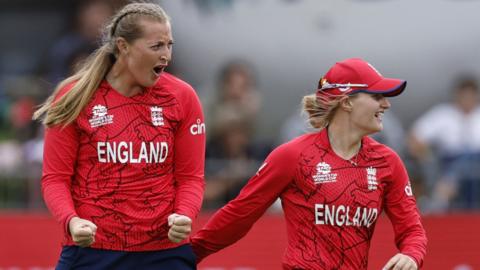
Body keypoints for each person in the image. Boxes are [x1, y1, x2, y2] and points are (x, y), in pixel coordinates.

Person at [191, 58, 427, 270]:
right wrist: (188, 255)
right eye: (377, 96)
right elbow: (240, 214)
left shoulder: (388, 162)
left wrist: (411, 255)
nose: (386, 105)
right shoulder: (292, 155)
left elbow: (412, 230)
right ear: (346, 103)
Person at [33, 3, 205, 269]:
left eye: (170, 45)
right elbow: (55, 179)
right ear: (124, 47)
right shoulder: (74, 96)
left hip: (164, 253)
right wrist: (71, 220)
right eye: (156, 46)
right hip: (91, 251)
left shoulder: (182, 97)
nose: (166, 56)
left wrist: (184, 215)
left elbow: (191, 178)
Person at [408, 76, 480, 211]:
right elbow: (415, 136)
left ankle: (440, 198)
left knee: (470, 159)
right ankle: (444, 192)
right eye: (464, 96)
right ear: (457, 96)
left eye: (471, 96)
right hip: (449, 162)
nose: (467, 100)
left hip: (476, 162)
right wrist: (427, 157)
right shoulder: (443, 114)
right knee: (462, 162)